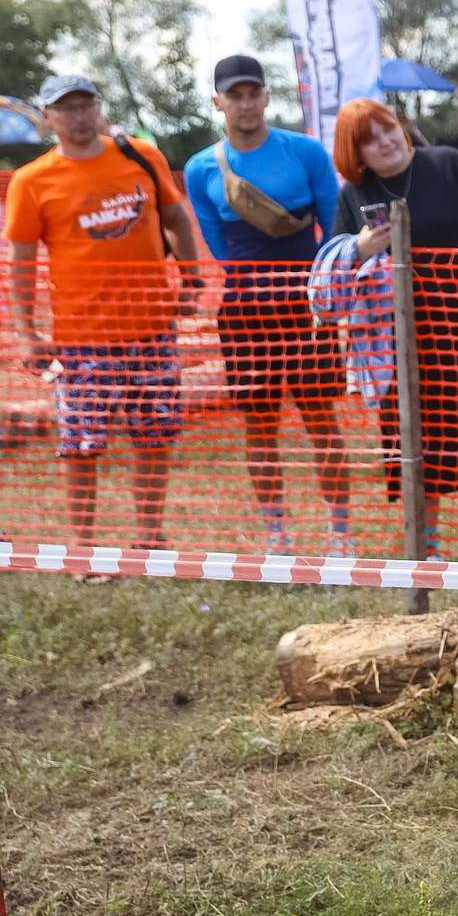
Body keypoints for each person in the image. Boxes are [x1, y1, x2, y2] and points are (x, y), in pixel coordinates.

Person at [4, 72, 202, 555]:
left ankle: (150, 538)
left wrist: (192, 278)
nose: (79, 115)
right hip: (81, 339)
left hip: (153, 330)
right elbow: (23, 263)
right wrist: (29, 332)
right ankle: (84, 547)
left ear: (98, 106)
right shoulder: (33, 181)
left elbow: (175, 217)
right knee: (80, 447)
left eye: (85, 104)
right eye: (66, 107)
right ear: (48, 119)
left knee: (154, 438)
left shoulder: (140, 154)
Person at [331, 98, 458, 563]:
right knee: (413, 443)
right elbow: (335, 263)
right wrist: (359, 248)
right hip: (396, 342)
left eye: (388, 128)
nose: (385, 141)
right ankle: (428, 548)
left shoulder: (447, 163)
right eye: (370, 139)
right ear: (354, 154)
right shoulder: (352, 194)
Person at [182, 56, 351, 554]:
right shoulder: (199, 168)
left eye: (253, 92)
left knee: (321, 417)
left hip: (307, 307)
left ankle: (340, 534)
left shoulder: (305, 151)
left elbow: (334, 226)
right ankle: (277, 535)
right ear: (218, 102)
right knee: (258, 423)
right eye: (234, 95)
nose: (246, 102)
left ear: (266, 96)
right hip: (244, 311)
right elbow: (216, 244)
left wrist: (324, 292)